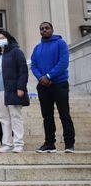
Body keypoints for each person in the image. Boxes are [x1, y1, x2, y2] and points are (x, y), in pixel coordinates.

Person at [31, 22, 75, 153]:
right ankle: (49, 144)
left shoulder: (60, 43)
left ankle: (69, 144)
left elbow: (63, 62)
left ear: (52, 29)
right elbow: (33, 65)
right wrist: (41, 78)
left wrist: (49, 76)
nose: (44, 30)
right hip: (43, 86)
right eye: (41, 29)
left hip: (59, 84)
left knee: (64, 114)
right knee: (47, 116)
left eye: (46, 28)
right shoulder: (37, 48)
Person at [0, 31, 29, 153]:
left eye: (3, 38)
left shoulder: (16, 52)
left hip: (13, 90)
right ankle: (7, 143)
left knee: (15, 116)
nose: (1, 40)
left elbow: (23, 70)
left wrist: (21, 87)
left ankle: (18, 143)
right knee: (3, 118)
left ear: (8, 39)